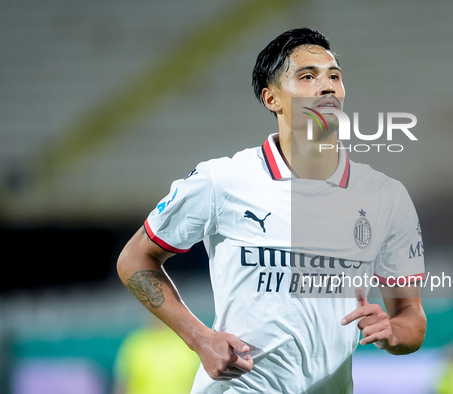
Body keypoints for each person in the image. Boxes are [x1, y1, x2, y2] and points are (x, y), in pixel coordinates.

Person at [117, 27, 427, 393]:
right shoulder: (222, 180)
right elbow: (135, 258)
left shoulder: (384, 197)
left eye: (334, 76)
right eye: (308, 76)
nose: (327, 86)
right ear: (272, 98)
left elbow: (412, 318)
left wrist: (392, 332)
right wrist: (200, 339)